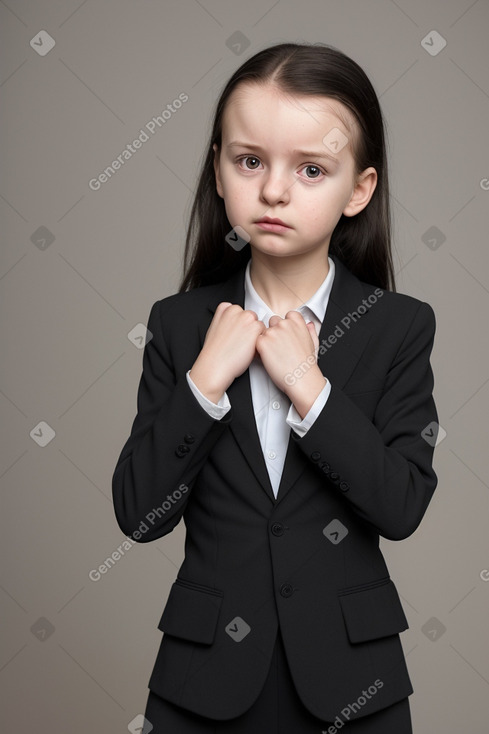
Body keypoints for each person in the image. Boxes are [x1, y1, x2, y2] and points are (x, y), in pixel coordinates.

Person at [112, 41, 439, 733]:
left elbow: (401, 505)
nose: (273, 191)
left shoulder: (398, 327)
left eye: (311, 169)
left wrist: (308, 387)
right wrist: (204, 380)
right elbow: (141, 516)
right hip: (200, 683)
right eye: (249, 160)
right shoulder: (177, 326)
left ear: (359, 189)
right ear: (218, 170)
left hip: (355, 682)